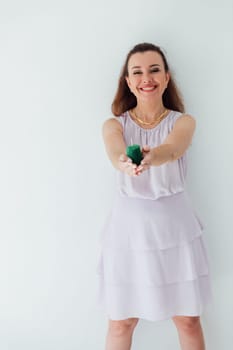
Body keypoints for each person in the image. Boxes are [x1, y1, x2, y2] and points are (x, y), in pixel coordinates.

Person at [96, 42, 212, 350]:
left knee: (188, 319)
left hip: (175, 229)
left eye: (154, 69)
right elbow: (114, 149)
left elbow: (173, 148)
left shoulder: (183, 121)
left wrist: (152, 157)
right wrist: (124, 160)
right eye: (138, 72)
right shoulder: (114, 125)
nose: (146, 77)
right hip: (128, 233)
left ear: (166, 77)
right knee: (121, 322)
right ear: (129, 82)